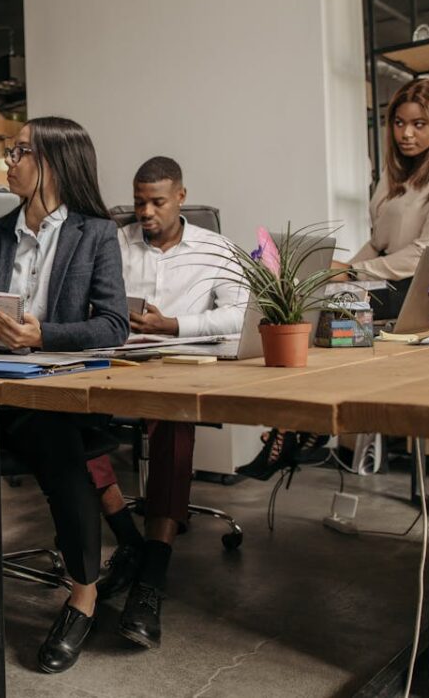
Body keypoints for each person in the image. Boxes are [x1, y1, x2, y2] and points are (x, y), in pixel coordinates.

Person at [0, 117, 128, 690]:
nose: (6, 161)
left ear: (54, 164)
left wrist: (42, 336)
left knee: (64, 455)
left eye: (18, 152)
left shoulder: (95, 234)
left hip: (48, 389)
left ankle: (84, 598)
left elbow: (112, 324)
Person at [237, 76, 429, 480]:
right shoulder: (397, 172)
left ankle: (297, 429)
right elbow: (378, 242)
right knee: (308, 304)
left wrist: (351, 273)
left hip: (424, 290)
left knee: (325, 324)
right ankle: (301, 426)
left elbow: (428, 252)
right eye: (399, 123)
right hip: (386, 281)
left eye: (418, 124)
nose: (405, 133)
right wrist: (333, 277)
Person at [88, 156, 245, 650]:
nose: (146, 213)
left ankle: (150, 575)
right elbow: (88, 301)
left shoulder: (216, 249)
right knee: (65, 417)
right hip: (117, 360)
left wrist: (172, 326)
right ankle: (128, 539)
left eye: (157, 202)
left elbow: (239, 317)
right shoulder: (114, 243)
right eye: (138, 203)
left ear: (181, 196)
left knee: (175, 425)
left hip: (179, 363)